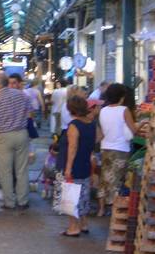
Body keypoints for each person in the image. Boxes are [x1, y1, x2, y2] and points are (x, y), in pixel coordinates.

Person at [97, 83, 146, 217]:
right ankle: (114, 209)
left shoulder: (103, 110)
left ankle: (101, 209)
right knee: (118, 180)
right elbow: (133, 130)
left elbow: (101, 132)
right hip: (120, 149)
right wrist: (143, 123)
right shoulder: (124, 110)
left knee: (105, 178)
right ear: (121, 97)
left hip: (106, 148)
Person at [0, 72, 32, 209]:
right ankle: (23, 200)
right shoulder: (22, 95)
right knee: (22, 169)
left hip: (4, 136)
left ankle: (9, 201)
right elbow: (29, 114)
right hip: (22, 134)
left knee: (4, 171)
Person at [62, 96, 99, 237]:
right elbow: (98, 137)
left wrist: (68, 168)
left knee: (72, 196)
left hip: (76, 164)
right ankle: (84, 224)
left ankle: (73, 227)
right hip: (86, 162)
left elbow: (73, 147)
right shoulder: (91, 123)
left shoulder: (74, 125)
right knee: (84, 194)